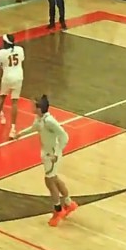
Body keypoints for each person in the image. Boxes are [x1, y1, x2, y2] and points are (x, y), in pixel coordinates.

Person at [20, 95, 76, 227]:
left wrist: (57, 153)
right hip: (46, 152)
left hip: (52, 155)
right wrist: (19, 134)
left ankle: (58, 211)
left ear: (39, 109)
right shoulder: (39, 118)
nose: (31, 107)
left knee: (49, 181)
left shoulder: (50, 121)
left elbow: (64, 136)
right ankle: (69, 203)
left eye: (34, 105)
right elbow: (35, 128)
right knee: (54, 178)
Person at [0, 34, 25, 138]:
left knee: (1, 99)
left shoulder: (0, 53)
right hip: (18, 77)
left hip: (7, 78)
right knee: (14, 102)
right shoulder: (20, 49)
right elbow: (20, 60)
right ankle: (13, 129)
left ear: (5, 43)